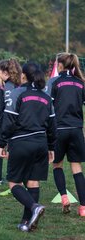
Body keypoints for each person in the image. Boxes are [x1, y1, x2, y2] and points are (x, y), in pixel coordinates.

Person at [0, 63, 57, 232]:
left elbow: (9, 121)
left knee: (14, 183)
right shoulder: (46, 97)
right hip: (41, 143)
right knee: (33, 182)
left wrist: (2, 143)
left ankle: (34, 207)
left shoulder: (18, 93)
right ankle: (26, 222)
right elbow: (53, 126)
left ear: (23, 76)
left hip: (21, 142)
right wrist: (51, 146)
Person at [46, 52, 85, 217]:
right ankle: (83, 207)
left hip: (59, 130)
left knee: (57, 165)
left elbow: (49, 108)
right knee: (77, 168)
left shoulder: (55, 83)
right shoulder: (81, 83)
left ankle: (64, 197)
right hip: (76, 130)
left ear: (60, 65)